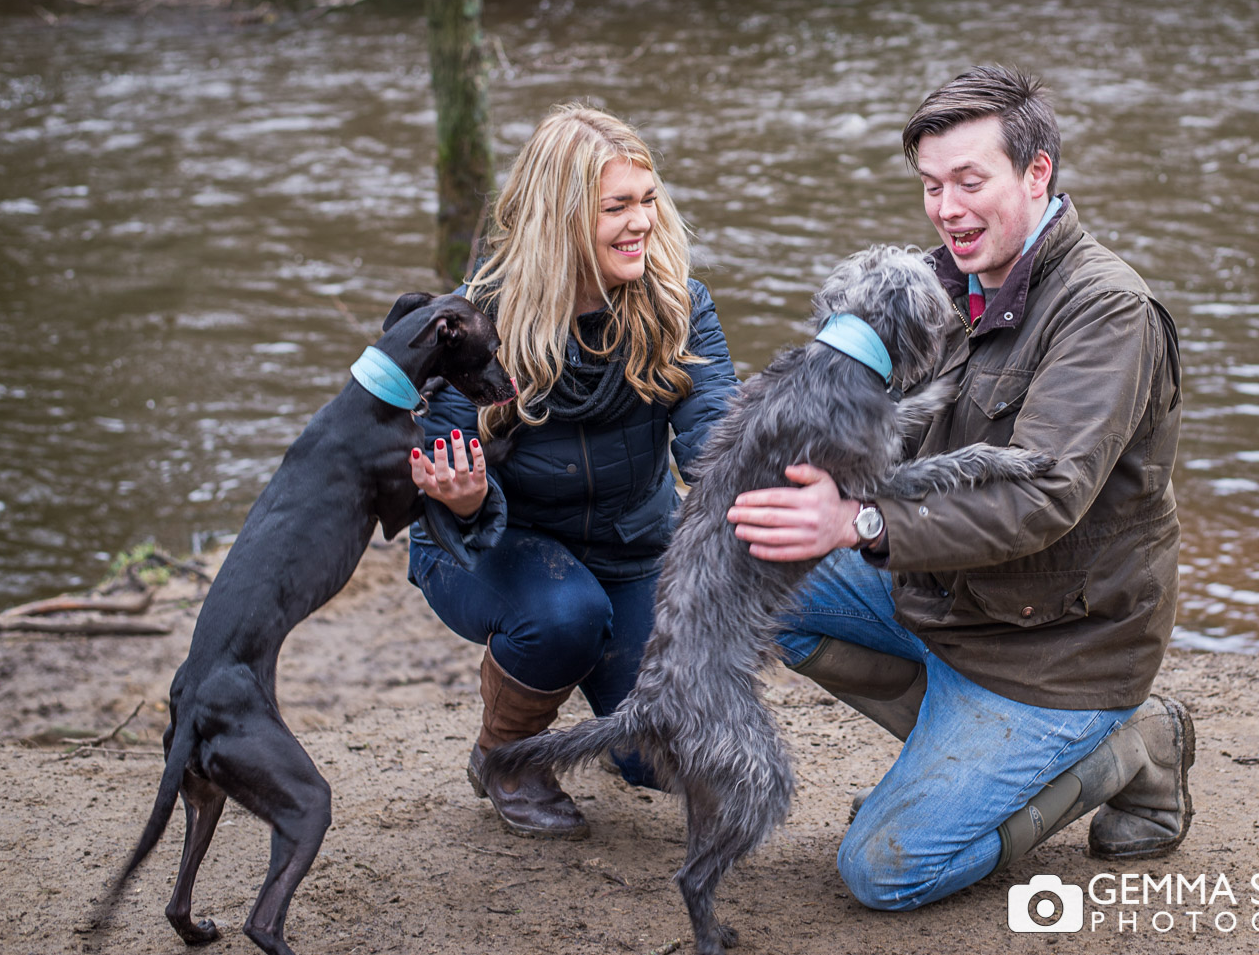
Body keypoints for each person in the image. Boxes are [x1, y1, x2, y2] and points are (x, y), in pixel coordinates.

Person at [726, 65, 1191, 910]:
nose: (946, 208)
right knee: (754, 561)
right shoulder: (936, 282)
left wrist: (860, 520)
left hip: (1056, 648)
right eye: (932, 185)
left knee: (884, 871)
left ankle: (1126, 743)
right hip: (953, 602)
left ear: (1038, 172)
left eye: (970, 181)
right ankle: (955, 745)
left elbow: (1039, 496)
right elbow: (833, 402)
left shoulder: (1107, 311)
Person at [407, 104, 738, 840]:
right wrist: (462, 498)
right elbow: (439, 454)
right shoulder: (475, 320)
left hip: (630, 548)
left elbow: (716, 430)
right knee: (566, 614)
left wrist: (757, 483)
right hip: (490, 545)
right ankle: (508, 754)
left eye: (648, 201)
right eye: (616, 206)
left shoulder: (678, 303)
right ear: (560, 217)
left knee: (670, 761)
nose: (642, 222)